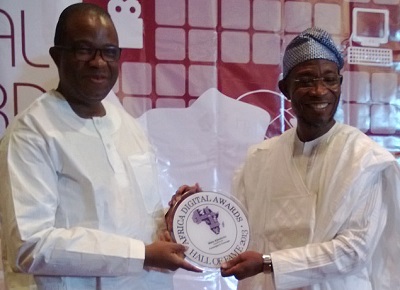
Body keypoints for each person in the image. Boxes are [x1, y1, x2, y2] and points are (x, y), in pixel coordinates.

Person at [170, 27, 400, 290]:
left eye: (329, 79)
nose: (319, 90)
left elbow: (354, 251)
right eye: (305, 80)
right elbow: (238, 232)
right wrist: (199, 207)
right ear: (285, 89)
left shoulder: (366, 160)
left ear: (340, 84)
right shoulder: (259, 159)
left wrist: (269, 263)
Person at [0, 3, 200, 290]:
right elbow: (29, 246)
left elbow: (143, 219)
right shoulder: (32, 133)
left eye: (109, 52)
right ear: (58, 56)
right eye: (84, 50)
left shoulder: (128, 126)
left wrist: (172, 220)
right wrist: (139, 254)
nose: (98, 62)